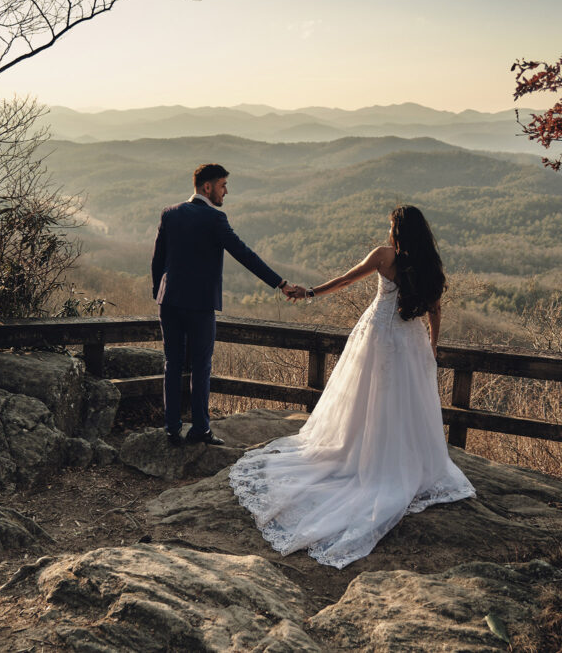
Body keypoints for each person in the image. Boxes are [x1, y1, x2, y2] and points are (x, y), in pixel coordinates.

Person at [229, 205, 476, 568]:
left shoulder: (384, 255)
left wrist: (309, 292)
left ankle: (364, 455)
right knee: (404, 402)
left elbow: (346, 279)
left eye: (391, 225)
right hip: (411, 340)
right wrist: (433, 346)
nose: (388, 229)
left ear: (398, 229)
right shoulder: (430, 264)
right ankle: (400, 460)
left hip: (377, 334)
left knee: (366, 397)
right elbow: (435, 311)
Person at [152, 163, 303, 447]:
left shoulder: (169, 214)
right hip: (200, 305)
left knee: (172, 364)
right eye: (223, 185)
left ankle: (172, 429)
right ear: (207, 187)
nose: (226, 192)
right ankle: (200, 430)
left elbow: (158, 259)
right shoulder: (214, 219)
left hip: (168, 300)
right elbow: (245, 255)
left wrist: (157, 291)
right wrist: (280, 283)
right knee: (201, 367)